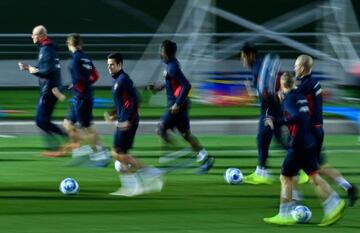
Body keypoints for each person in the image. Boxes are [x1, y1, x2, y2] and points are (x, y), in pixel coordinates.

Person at [264, 72, 346, 226]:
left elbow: (297, 117)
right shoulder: (300, 96)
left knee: (285, 177)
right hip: (309, 141)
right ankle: (334, 204)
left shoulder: (289, 99)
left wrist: (277, 122)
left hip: (298, 143)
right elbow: (303, 115)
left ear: (282, 85)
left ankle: (284, 215)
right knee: (314, 176)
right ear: (294, 83)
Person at [295, 54, 358, 206]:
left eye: (296, 66)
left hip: (309, 132)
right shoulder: (314, 82)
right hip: (317, 130)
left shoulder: (305, 86)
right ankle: (348, 187)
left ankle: (296, 202)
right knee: (319, 167)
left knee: (299, 167)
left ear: (302, 68)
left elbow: (291, 101)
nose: (294, 68)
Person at [148, 40, 214, 174]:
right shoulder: (170, 65)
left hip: (176, 105)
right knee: (185, 134)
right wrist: (157, 87)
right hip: (179, 104)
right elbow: (172, 82)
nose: (160, 53)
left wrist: (177, 104)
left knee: (160, 129)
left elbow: (186, 85)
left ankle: (177, 153)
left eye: (161, 50)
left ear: (166, 52)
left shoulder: (172, 67)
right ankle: (206, 158)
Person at [106, 52, 163, 196]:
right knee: (121, 158)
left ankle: (146, 177)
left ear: (120, 65)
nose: (109, 67)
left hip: (127, 122)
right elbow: (123, 102)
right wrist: (113, 113)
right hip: (124, 120)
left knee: (117, 154)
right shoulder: (118, 79)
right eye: (108, 65)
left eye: (112, 64)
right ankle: (136, 184)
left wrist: (126, 120)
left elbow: (135, 100)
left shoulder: (124, 79)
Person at [240, 43, 295, 184]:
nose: (242, 60)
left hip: (271, 107)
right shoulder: (258, 68)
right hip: (273, 106)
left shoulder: (260, 67)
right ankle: (303, 164)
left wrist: (276, 96)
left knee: (262, 138)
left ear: (251, 55)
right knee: (277, 140)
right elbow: (260, 91)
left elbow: (270, 87)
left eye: (243, 56)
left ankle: (262, 171)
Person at [58, 33, 109, 164]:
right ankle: (79, 147)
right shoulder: (86, 58)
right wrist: (83, 85)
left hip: (81, 98)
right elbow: (95, 76)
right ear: (80, 44)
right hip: (84, 95)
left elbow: (79, 80)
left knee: (87, 128)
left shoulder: (74, 61)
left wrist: (76, 87)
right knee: (67, 123)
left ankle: (101, 151)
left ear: (69, 45)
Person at [18, 25, 67, 155]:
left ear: (41, 36)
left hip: (49, 90)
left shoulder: (46, 50)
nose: (32, 37)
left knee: (41, 121)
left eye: (33, 35)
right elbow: (43, 68)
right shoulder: (47, 48)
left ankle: (65, 140)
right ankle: (57, 146)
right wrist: (29, 68)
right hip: (51, 89)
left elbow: (46, 72)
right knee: (43, 121)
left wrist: (28, 68)